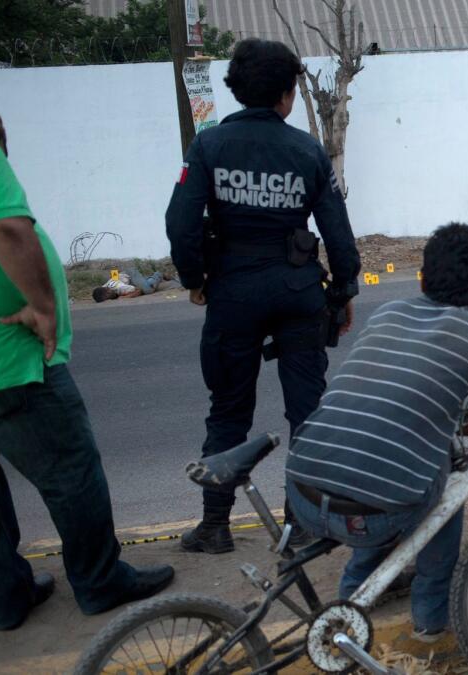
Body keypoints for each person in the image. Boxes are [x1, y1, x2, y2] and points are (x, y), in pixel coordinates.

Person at [286, 222, 468, 641]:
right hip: (369, 515)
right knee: (443, 486)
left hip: (302, 492)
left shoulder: (389, 312)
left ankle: (354, 594)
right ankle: (434, 617)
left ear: (421, 277)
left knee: (387, 465)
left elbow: (391, 406)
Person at [166, 39, 361, 554]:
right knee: (307, 412)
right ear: (287, 94)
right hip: (298, 291)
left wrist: (195, 280)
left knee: (228, 409)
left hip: (232, 292)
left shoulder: (209, 147)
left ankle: (214, 526)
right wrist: (342, 292)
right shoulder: (307, 150)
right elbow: (338, 235)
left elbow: (181, 223)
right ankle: (302, 528)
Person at [0, 112, 173, 631]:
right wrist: (42, 306)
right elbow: (8, 226)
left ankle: (7, 596)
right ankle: (100, 581)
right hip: (12, 361)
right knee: (72, 472)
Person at [91, 268, 182, 302]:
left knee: (147, 290)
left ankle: (158, 274)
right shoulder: (103, 288)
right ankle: (150, 280)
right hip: (123, 276)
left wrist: (126, 297)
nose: (108, 299)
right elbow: (114, 274)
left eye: (107, 297)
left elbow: (139, 291)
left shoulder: (120, 288)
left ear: (107, 291)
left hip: (130, 273)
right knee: (147, 285)